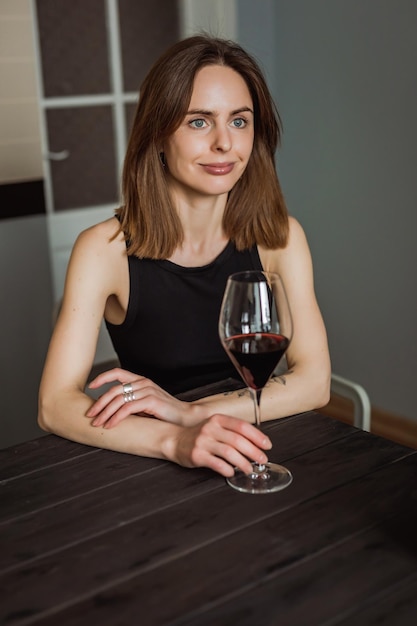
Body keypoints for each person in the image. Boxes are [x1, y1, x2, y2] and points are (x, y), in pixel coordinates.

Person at [38, 35, 331, 478]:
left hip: (260, 441)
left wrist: (189, 413)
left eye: (239, 121)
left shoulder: (280, 237)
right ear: (157, 134)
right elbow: (54, 404)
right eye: (198, 122)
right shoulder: (103, 249)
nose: (223, 144)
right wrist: (175, 439)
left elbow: (315, 382)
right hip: (154, 460)